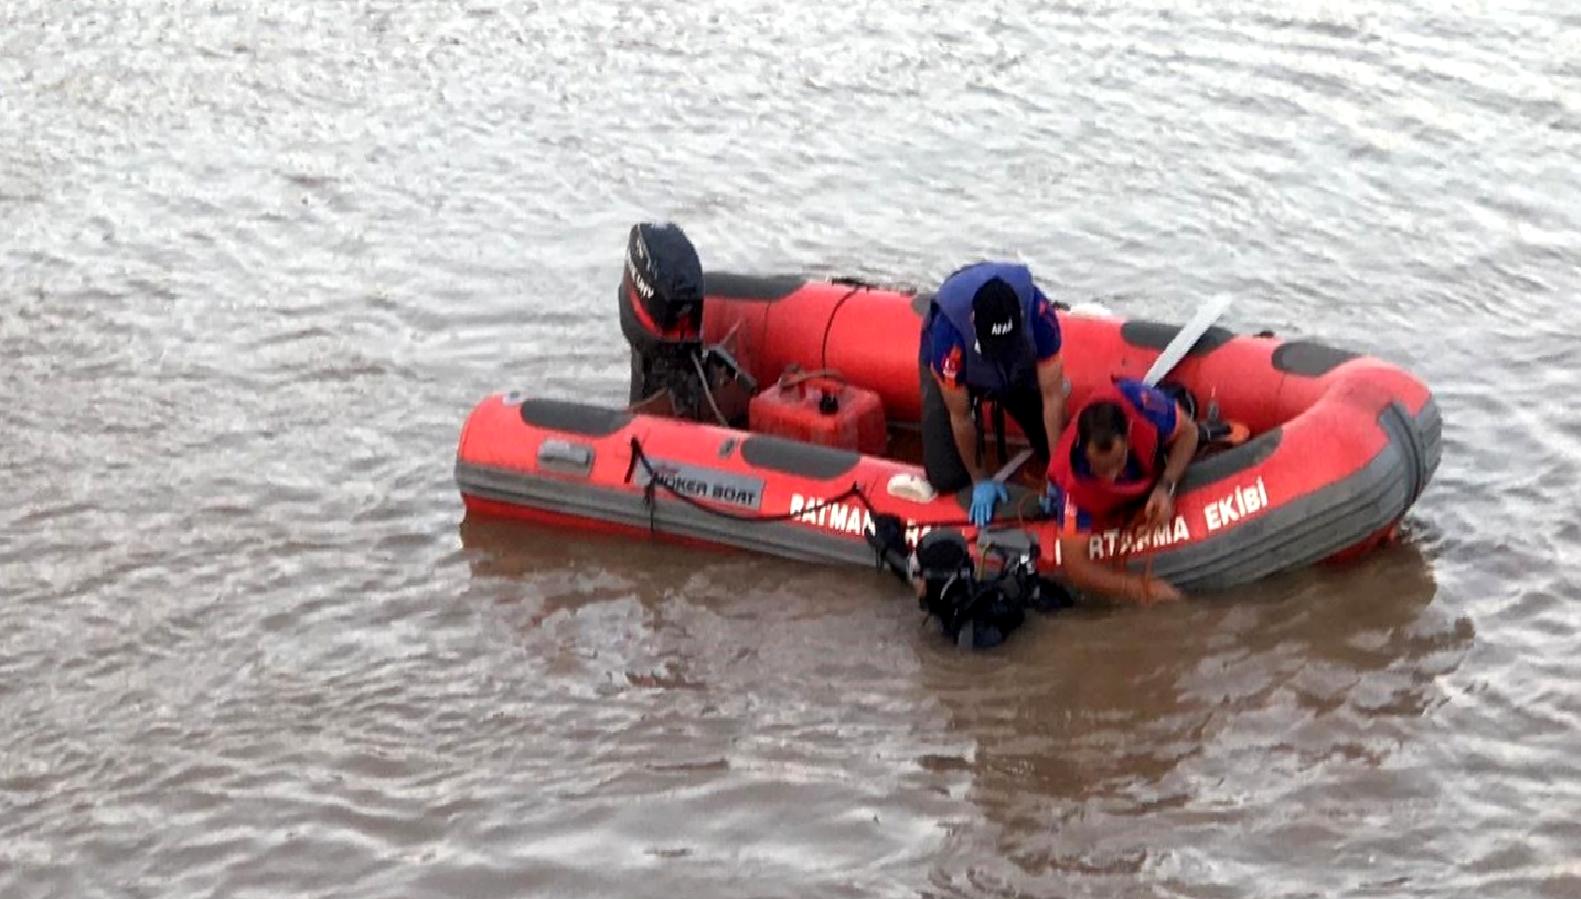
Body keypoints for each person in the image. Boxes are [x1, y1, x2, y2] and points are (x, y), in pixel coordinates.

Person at [918, 261, 1067, 527]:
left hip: (1016, 370)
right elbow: (960, 416)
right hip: (965, 369)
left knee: (1060, 452)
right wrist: (979, 478)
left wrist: (1057, 471)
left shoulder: (1040, 316)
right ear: (974, 322)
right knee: (945, 477)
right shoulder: (948, 337)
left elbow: (1053, 396)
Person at [1042, 378, 1200, 604]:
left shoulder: (1141, 404)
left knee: (1181, 401)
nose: (1112, 476)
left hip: (1152, 470)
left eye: (1118, 462)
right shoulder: (1073, 481)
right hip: (1102, 504)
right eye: (1101, 469)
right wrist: (1138, 588)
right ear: (1084, 453)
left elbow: (1189, 433)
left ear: (1128, 439)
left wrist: (1166, 486)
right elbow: (1075, 566)